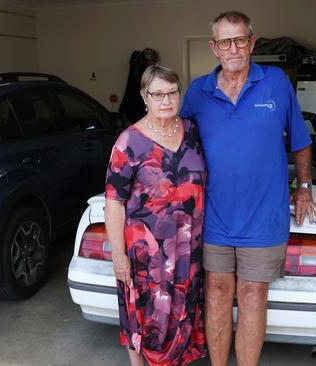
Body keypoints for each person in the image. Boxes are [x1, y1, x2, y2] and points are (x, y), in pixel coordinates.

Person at [180, 11, 316, 366]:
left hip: (264, 215)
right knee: (217, 292)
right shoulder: (198, 91)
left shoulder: (276, 83)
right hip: (214, 215)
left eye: (240, 39)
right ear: (214, 48)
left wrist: (304, 187)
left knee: (254, 294)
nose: (233, 48)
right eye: (225, 41)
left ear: (252, 42)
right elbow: (175, 143)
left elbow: (300, 141)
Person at [104, 64, 207, 366]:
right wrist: (119, 256)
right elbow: (114, 203)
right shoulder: (128, 142)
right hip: (146, 256)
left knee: (182, 314)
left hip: (189, 252)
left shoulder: (192, 132)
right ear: (144, 96)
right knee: (144, 319)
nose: (166, 100)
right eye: (158, 93)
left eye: (172, 92)